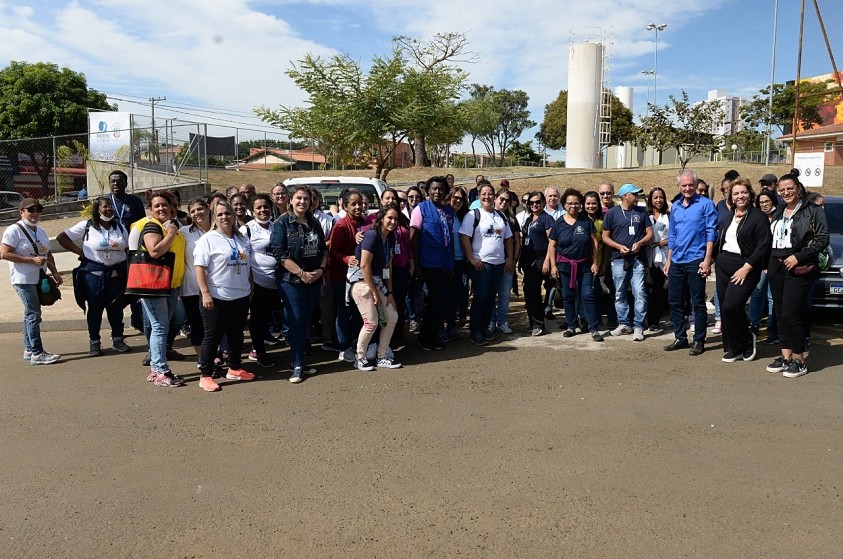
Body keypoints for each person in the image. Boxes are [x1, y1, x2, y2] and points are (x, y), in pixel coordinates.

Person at [765, 169, 829, 378]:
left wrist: (799, 257)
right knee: (781, 313)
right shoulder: (778, 210)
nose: (786, 192)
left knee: (793, 314)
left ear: (799, 188)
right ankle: (786, 357)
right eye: (782, 190)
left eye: (790, 188)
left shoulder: (813, 210)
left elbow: (822, 240)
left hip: (798, 266)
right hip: (776, 265)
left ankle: (800, 360)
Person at [193, 200, 256, 392]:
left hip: (241, 294)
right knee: (212, 337)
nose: (224, 217)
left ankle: (235, 367)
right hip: (217, 295)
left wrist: (250, 288)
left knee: (236, 335)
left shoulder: (242, 238)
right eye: (220, 214)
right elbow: (200, 268)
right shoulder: (208, 239)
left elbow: (248, 265)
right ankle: (205, 374)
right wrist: (205, 293)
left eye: (227, 213)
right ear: (214, 217)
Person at [57, 196, 130, 356]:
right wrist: (80, 252)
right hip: (93, 276)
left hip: (116, 275)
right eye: (105, 206)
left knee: (116, 309)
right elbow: (61, 238)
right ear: (97, 209)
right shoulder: (87, 226)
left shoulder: (120, 228)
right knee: (95, 309)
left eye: (111, 206)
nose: (109, 209)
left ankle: (118, 339)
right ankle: (94, 342)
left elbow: (127, 249)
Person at [270, 185, 328, 383]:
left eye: (306, 199)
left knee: (305, 321)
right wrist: (301, 274)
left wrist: (320, 270)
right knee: (296, 320)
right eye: (299, 198)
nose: (303, 202)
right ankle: (296, 364)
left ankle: (301, 361)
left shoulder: (314, 223)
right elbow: (279, 253)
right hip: (291, 281)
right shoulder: (282, 223)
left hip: (313, 278)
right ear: (291, 201)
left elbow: (324, 249)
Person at [714, 179, 772, 363]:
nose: (740, 196)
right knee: (724, 308)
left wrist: (746, 268)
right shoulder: (728, 216)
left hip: (745, 267)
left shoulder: (758, 217)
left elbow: (763, 246)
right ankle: (733, 347)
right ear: (731, 197)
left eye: (744, 192)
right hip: (723, 265)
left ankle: (747, 340)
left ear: (750, 194)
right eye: (736, 193)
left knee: (733, 305)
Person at [1, 198, 63, 365]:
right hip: (23, 278)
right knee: (33, 314)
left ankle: (29, 349)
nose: (35, 213)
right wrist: (30, 261)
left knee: (31, 314)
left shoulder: (40, 231)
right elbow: (4, 253)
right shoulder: (14, 230)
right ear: (22, 212)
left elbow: (48, 253)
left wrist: (55, 272)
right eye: (31, 210)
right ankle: (37, 352)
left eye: (37, 210)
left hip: (38, 277)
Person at [663, 170, 717, 356]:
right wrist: (669, 260)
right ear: (679, 186)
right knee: (675, 301)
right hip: (677, 260)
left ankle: (699, 340)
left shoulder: (706, 205)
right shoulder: (676, 206)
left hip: (696, 259)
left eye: (690, 185)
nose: (687, 188)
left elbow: (711, 233)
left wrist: (707, 260)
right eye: (684, 185)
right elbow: (673, 235)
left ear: (696, 185)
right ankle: (680, 337)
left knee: (697, 302)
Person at [138, 191, 187, 387]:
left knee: (162, 326)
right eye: (156, 206)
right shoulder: (152, 226)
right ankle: (160, 370)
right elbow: (155, 251)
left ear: (172, 207)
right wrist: (172, 234)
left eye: (164, 205)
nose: (161, 208)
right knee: (159, 327)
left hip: (170, 285)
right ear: (151, 209)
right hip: (155, 286)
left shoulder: (172, 226)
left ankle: (155, 369)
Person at [349, 205, 403, 371]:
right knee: (371, 322)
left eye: (396, 219)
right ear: (381, 218)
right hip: (361, 282)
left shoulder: (391, 238)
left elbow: (388, 268)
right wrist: (374, 293)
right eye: (389, 218)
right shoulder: (372, 235)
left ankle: (382, 356)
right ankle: (360, 357)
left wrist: (390, 292)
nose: (393, 222)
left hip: (378, 281)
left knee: (392, 316)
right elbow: (365, 265)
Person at [459, 182, 514, 346]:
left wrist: (509, 258)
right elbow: (464, 237)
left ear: (495, 197)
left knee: (491, 298)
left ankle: (484, 329)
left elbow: (508, 238)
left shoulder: (501, 216)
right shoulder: (472, 215)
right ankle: (475, 331)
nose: (487, 197)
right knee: (480, 297)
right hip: (481, 264)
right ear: (478, 196)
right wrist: (471, 259)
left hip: (498, 264)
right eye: (484, 194)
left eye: (490, 194)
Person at [546, 189, 602, 342]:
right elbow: (552, 245)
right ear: (564, 205)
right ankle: (571, 325)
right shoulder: (559, 223)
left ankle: (593, 328)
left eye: (576, 203)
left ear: (580, 204)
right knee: (568, 297)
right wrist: (553, 266)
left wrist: (595, 262)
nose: (573, 206)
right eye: (570, 203)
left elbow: (594, 243)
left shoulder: (586, 221)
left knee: (587, 296)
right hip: (565, 265)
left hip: (584, 265)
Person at [602, 183, 653, 341]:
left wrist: (640, 243)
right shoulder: (612, 213)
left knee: (640, 292)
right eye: (634, 194)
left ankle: (638, 325)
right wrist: (618, 246)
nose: (637, 197)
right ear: (625, 196)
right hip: (618, 259)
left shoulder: (641, 212)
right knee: (619, 292)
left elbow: (650, 234)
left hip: (637, 259)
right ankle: (624, 323)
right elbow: (605, 237)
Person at [410, 176, 456, 351]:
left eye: (441, 189)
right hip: (428, 263)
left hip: (444, 263)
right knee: (435, 300)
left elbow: (449, 239)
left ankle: (434, 336)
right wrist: (417, 265)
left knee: (440, 302)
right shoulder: (420, 209)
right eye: (434, 189)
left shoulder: (448, 212)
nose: (438, 192)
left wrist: (451, 264)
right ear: (427, 191)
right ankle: (425, 338)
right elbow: (413, 239)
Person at [328, 189, 367, 362]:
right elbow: (333, 251)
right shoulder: (341, 225)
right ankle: (344, 346)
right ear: (345, 206)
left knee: (359, 310)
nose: (358, 207)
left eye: (360, 203)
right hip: (341, 277)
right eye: (354, 204)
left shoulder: (364, 222)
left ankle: (355, 341)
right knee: (343, 311)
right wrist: (346, 258)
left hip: (359, 276)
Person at [242, 194, 279, 368]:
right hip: (258, 282)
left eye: (266, 206)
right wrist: (250, 283)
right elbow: (244, 257)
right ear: (252, 210)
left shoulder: (276, 226)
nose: (263, 210)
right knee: (258, 319)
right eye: (259, 207)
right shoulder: (247, 230)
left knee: (270, 319)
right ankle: (259, 351)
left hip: (277, 281)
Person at [108, 170, 146, 330]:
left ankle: (137, 319)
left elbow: (142, 225)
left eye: (119, 181)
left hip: (132, 252)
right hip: (112, 253)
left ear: (126, 183)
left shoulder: (134, 202)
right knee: (116, 290)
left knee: (135, 286)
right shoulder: (104, 202)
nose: (116, 184)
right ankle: (117, 326)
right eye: (113, 181)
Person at [179, 198, 211, 360]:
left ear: (208, 209)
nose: (197, 213)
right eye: (193, 211)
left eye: (200, 209)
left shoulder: (219, 229)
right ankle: (203, 359)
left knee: (215, 326)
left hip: (217, 287)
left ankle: (215, 355)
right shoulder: (184, 232)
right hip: (191, 288)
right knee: (197, 326)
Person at [520, 191, 554, 336]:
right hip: (528, 259)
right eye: (532, 202)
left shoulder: (546, 219)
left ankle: (538, 323)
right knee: (528, 291)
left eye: (538, 202)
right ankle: (532, 321)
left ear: (543, 202)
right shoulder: (529, 219)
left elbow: (552, 242)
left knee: (533, 290)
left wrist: (547, 261)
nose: (535, 205)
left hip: (540, 258)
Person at [748, 191, 779, 341]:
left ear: (773, 201)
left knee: (772, 296)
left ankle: (772, 329)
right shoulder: (755, 218)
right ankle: (754, 325)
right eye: (762, 202)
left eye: (767, 201)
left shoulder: (780, 216)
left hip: (775, 262)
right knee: (757, 292)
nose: (765, 204)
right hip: (759, 263)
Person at [489, 189, 520, 334]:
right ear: (495, 198)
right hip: (491, 261)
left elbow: (516, 242)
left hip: (507, 262)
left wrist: (513, 260)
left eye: (507, 200)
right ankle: (491, 320)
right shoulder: (486, 215)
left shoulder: (512, 219)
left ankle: (502, 321)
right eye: (501, 199)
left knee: (505, 294)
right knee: (489, 293)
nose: (503, 202)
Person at [443, 186, 469, 341]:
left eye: (461, 198)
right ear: (449, 198)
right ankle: (444, 327)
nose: (458, 201)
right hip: (447, 261)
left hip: (460, 262)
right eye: (455, 197)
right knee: (445, 296)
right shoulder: (445, 215)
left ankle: (452, 326)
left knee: (455, 296)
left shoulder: (462, 216)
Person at [645, 187, 669, 332]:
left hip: (664, 257)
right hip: (647, 256)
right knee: (647, 289)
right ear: (650, 199)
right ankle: (643, 318)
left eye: (661, 197)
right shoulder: (644, 215)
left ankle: (654, 320)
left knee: (659, 290)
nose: (658, 200)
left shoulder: (669, 216)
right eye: (655, 197)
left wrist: (662, 243)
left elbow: (676, 236)